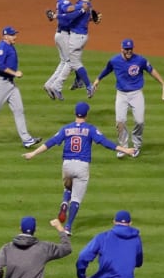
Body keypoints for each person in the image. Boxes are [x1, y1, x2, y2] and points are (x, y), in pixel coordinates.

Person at [23, 101, 135, 235]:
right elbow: (105, 143)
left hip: (67, 165)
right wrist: (125, 150)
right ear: (86, 114)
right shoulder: (90, 129)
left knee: (68, 186)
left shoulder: (66, 128)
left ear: (75, 113)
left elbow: (50, 143)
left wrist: (33, 153)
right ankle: (68, 227)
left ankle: (65, 201)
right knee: (76, 199)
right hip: (82, 165)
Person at [94, 37, 164, 157]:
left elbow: (152, 70)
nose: (129, 51)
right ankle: (123, 147)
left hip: (136, 94)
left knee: (139, 121)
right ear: (121, 48)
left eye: (130, 49)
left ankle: (136, 146)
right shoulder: (114, 60)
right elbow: (107, 70)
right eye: (126, 49)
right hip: (121, 94)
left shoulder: (140, 60)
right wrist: (98, 80)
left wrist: (163, 83)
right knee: (120, 121)